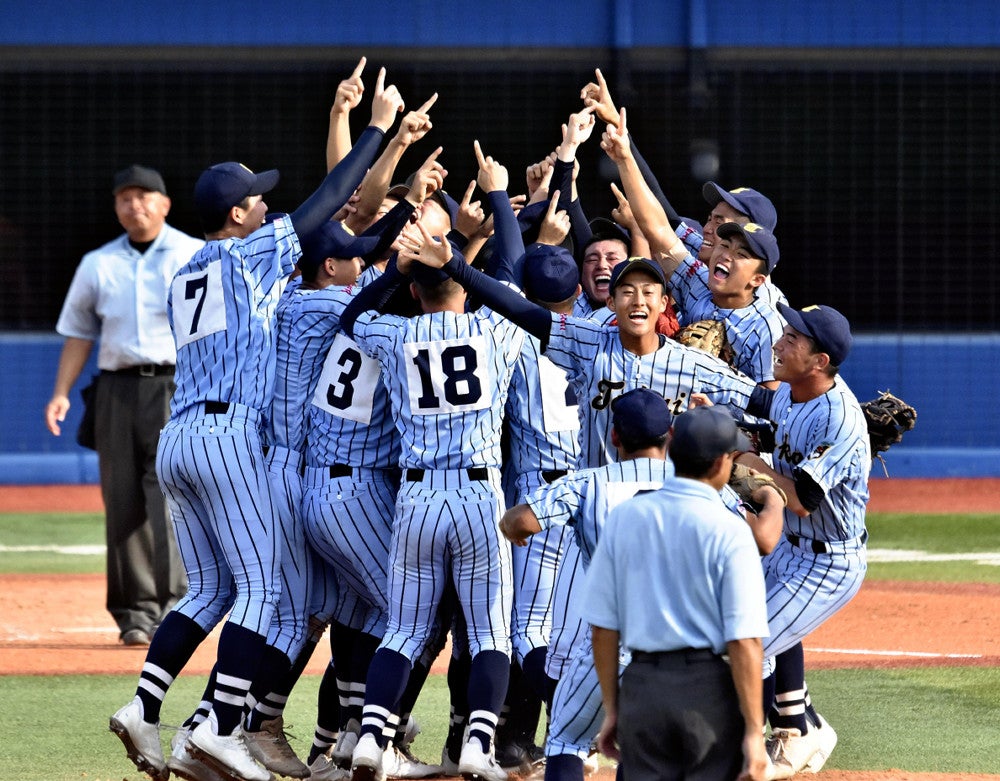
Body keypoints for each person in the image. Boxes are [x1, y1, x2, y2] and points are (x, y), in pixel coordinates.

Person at [109, 67, 405, 781]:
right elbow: (325, 205)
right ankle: (216, 727)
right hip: (230, 436)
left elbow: (342, 233)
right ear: (236, 214)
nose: (267, 203)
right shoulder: (246, 259)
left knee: (209, 589)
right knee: (271, 594)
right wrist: (375, 128)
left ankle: (146, 710)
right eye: (256, 197)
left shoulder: (186, 270)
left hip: (178, 433)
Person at [45, 164, 202, 647]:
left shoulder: (193, 254)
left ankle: (173, 605)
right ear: (115, 207)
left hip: (176, 385)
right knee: (122, 499)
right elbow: (79, 333)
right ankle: (134, 613)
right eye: (125, 198)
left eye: (144, 196)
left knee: (169, 496)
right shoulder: (99, 263)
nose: (135, 205)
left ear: (165, 203)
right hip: (116, 389)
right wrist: (60, 392)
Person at [583, 405, 773, 781]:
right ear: (722, 463)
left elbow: (602, 627)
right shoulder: (730, 527)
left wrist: (613, 709)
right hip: (706, 696)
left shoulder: (627, 517)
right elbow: (745, 640)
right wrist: (754, 731)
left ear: (672, 447)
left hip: (642, 688)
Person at [499, 388, 677, 781]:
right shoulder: (700, 487)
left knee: (565, 739)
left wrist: (515, 529)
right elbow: (758, 538)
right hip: (682, 647)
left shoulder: (588, 483)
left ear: (614, 437)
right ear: (670, 435)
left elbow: (519, 521)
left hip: (612, 641)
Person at [736, 303, 870, 776]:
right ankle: (805, 724)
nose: (780, 341)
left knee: (746, 641)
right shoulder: (793, 392)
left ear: (820, 361)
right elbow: (755, 400)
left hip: (826, 564)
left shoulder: (839, 419)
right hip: (790, 551)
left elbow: (802, 500)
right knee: (732, 624)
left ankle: (789, 737)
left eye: (794, 338)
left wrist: (751, 466)